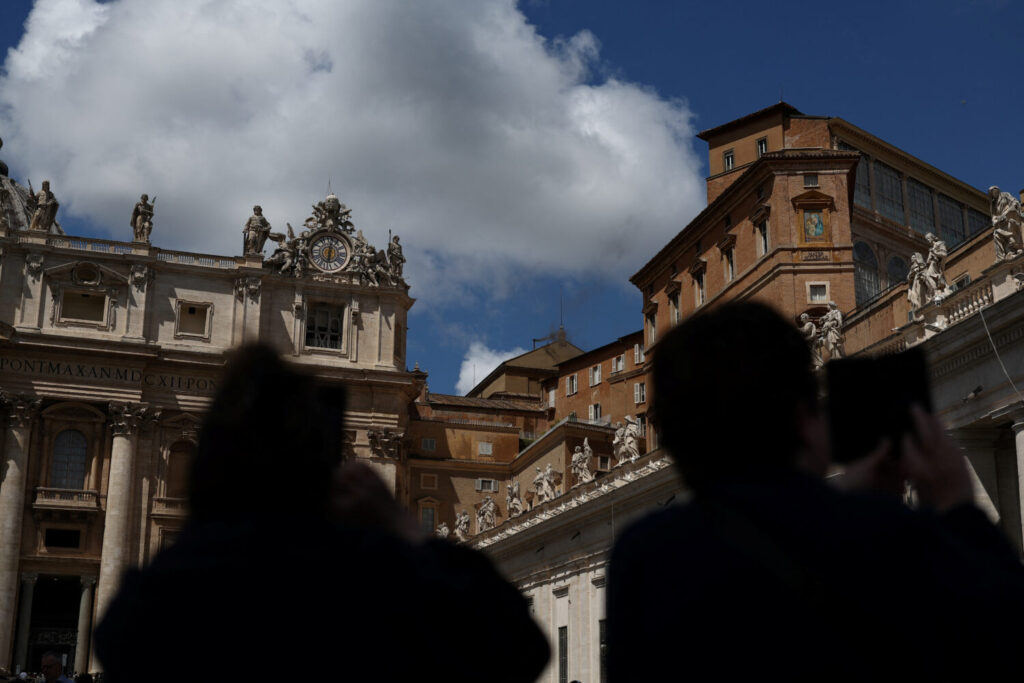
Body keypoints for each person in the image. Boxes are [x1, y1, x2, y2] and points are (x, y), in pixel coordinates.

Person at [606, 302, 1024, 681]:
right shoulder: (886, 536)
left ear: (676, 442)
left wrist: (850, 504)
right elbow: (1003, 638)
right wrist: (957, 506)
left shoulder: (643, 554)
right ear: (805, 419)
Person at [94, 345, 548, 683]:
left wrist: (211, 517)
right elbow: (517, 644)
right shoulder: (366, 584)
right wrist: (402, 526)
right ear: (322, 468)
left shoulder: (150, 602)